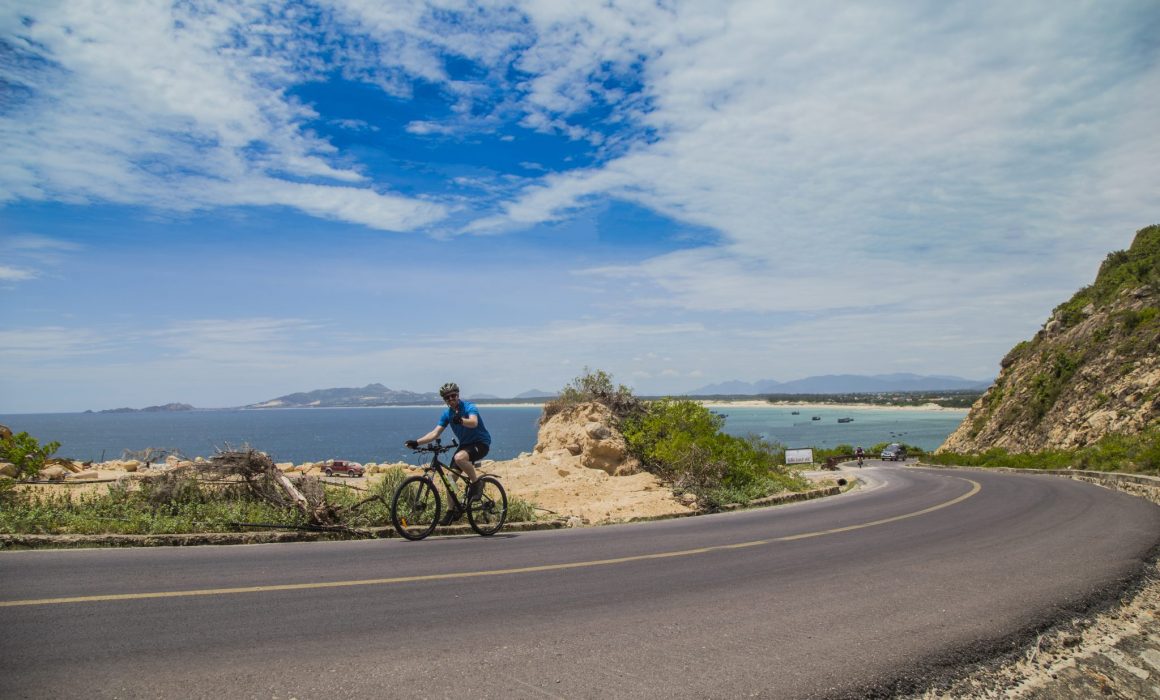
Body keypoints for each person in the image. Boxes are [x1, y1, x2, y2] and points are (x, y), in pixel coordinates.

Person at [405, 382, 491, 514]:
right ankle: (452, 511)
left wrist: (461, 420)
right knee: (450, 480)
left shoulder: (469, 407)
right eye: (447, 398)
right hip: (465, 445)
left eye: (453, 396)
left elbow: (474, 422)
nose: (451, 399)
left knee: (459, 458)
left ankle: (476, 484)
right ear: (444, 400)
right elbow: (435, 433)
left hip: (481, 443)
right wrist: (417, 442)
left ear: (458, 395)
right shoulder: (447, 414)